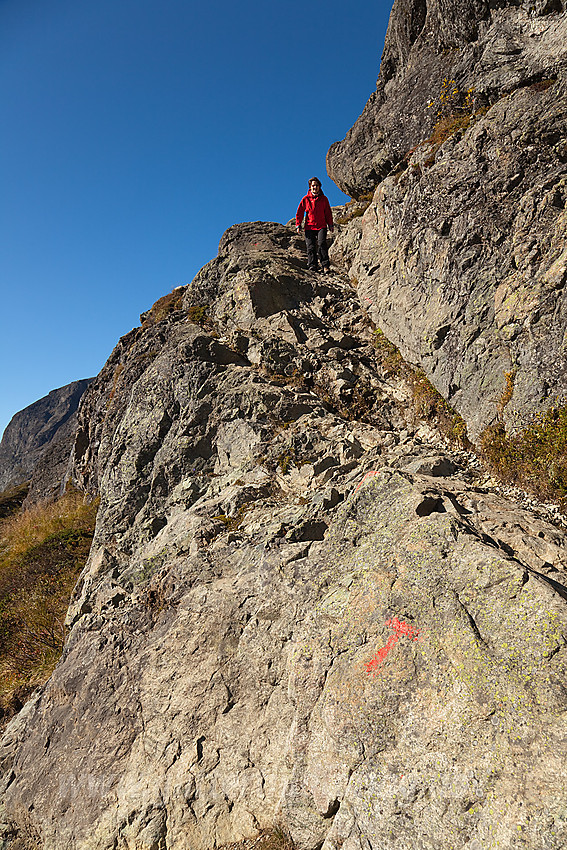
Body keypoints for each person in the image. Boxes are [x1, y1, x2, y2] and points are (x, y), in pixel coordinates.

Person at [295, 177, 334, 274]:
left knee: (322, 244)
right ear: (310, 187)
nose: (315, 187)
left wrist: (330, 224)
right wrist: (298, 224)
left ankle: (325, 266)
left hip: (321, 226)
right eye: (313, 186)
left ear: (319, 187)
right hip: (309, 226)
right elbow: (299, 212)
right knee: (311, 247)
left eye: (316, 185)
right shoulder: (306, 199)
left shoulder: (324, 199)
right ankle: (313, 265)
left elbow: (328, 213)